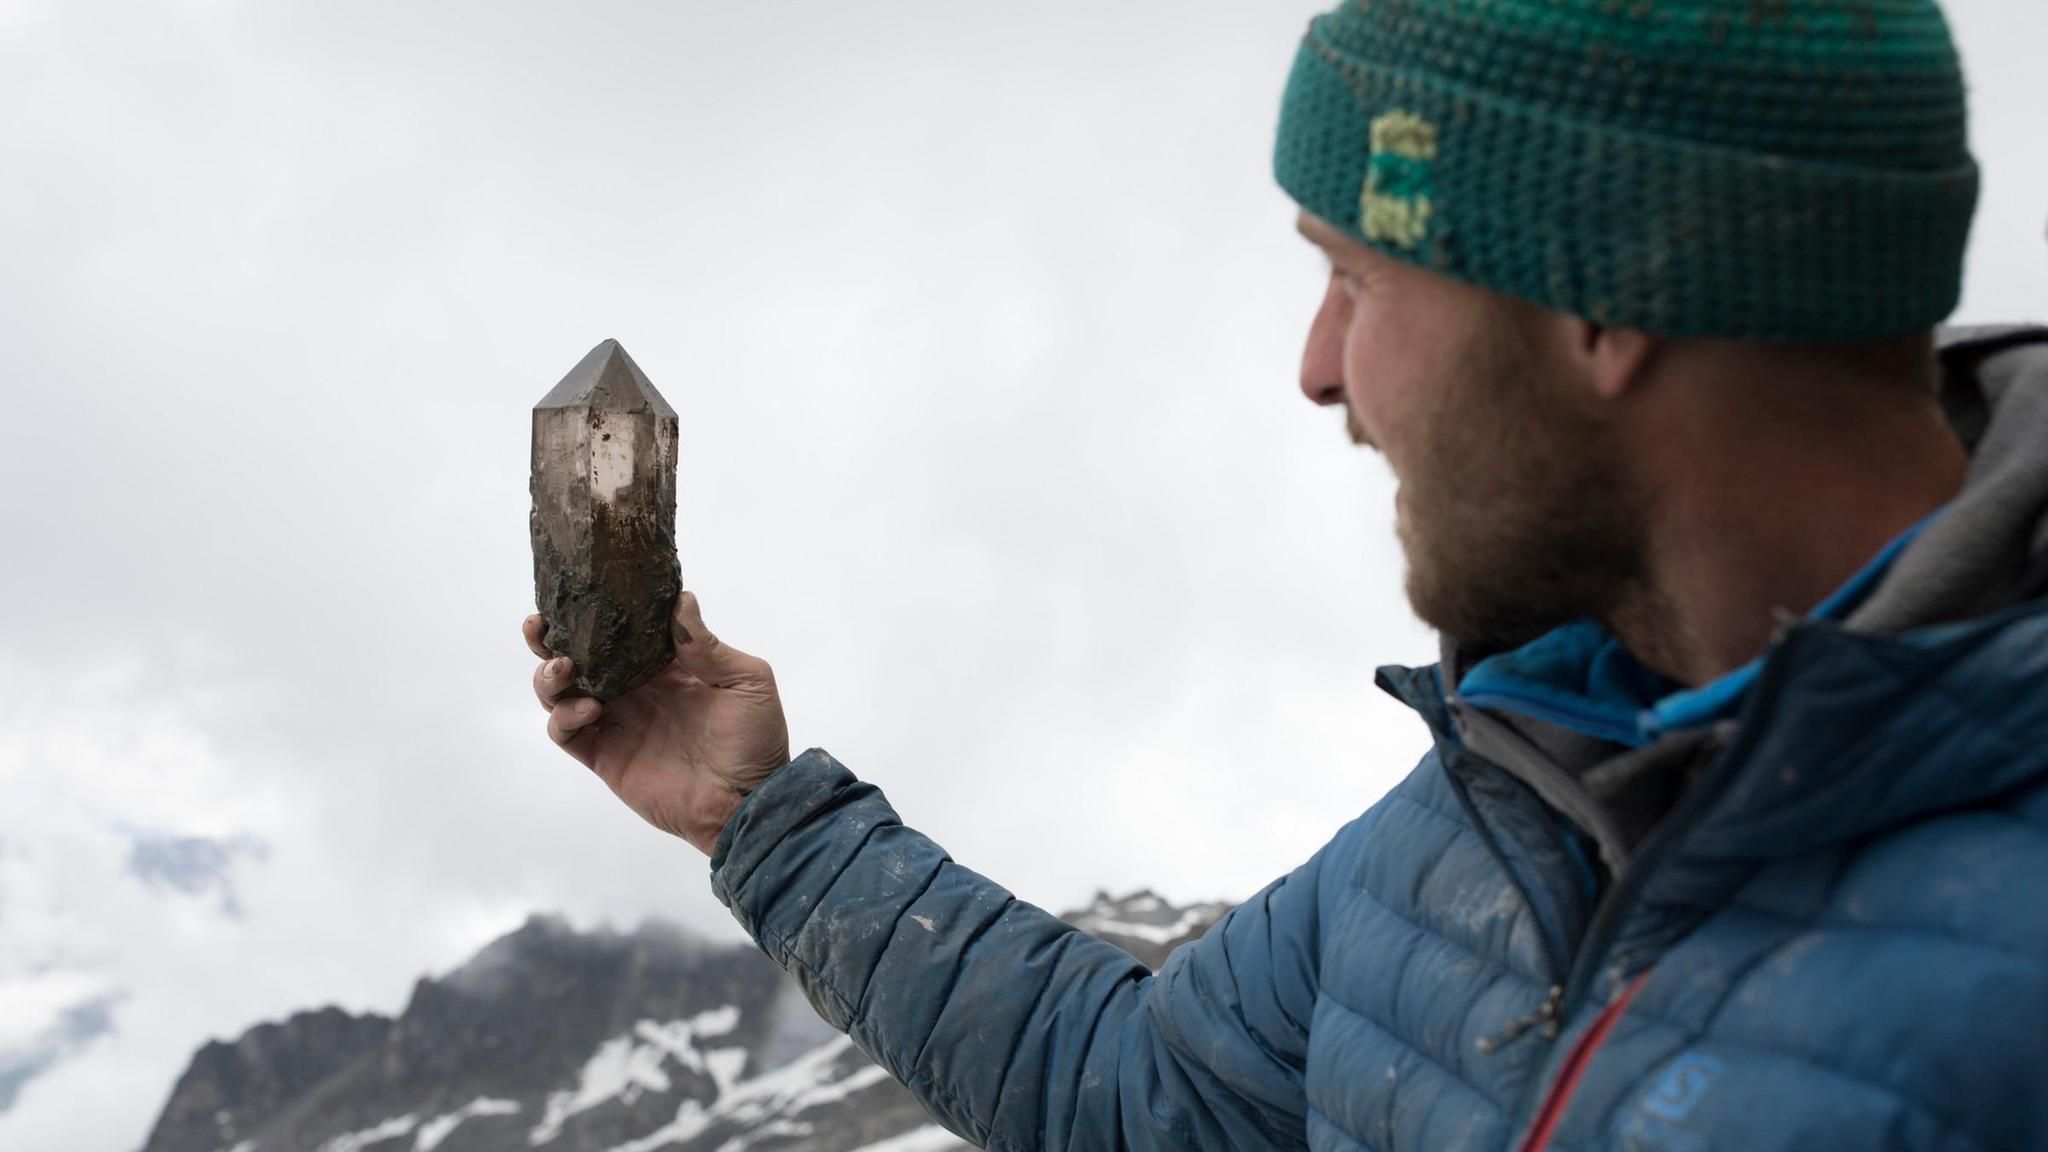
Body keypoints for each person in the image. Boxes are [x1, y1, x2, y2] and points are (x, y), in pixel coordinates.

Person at [525, 1, 2048, 1148]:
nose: (1319, 370)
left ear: (1608, 300)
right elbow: (1143, 1091)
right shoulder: (1512, 783)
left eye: (1356, 277)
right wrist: (758, 818)